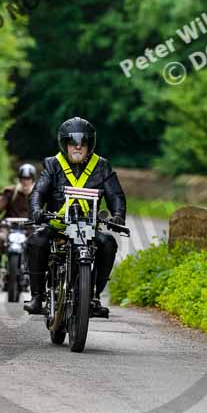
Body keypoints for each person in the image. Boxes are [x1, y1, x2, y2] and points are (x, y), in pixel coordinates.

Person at [24, 117, 126, 317]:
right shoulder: (53, 164)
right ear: (65, 145)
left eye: (83, 143)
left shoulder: (102, 166)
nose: (78, 147)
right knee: (36, 240)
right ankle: (37, 297)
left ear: (90, 145)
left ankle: (93, 297)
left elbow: (116, 195)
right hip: (58, 225)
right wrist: (36, 210)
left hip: (87, 228)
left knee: (108, 243)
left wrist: (118, 216)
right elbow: (38, 192)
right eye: (72, 142)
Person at [0, 163, 36, 288]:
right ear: (19, 179)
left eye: (28, 179)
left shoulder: (38, 194)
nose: (25, 182)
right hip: (9, 227)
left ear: (33, 179)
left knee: (39, 244)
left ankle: (37, 279)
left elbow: (47, 209)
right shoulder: (10, 192)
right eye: (23, 178)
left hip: (30, 228)